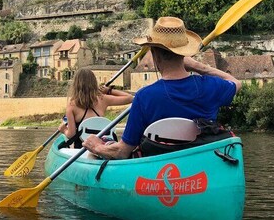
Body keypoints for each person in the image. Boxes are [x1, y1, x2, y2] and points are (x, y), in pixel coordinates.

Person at [84, 16, 240, 160]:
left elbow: (122, 152)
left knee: (105, 142)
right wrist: (199, 67)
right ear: (184, 54)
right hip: (200, 168)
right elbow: (236, 83)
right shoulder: (210, 86)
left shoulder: (145, 97)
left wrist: (97, 147)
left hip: (158, 172)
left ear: (155, 54)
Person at [61, 67, 134, 148]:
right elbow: (130, 98)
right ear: (94, 83)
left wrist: (64, 130)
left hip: (81, 149)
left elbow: (71, 135)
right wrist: (109, 91)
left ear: (75, 85)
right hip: (101, 146)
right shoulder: (103, 99)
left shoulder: (71, 106)